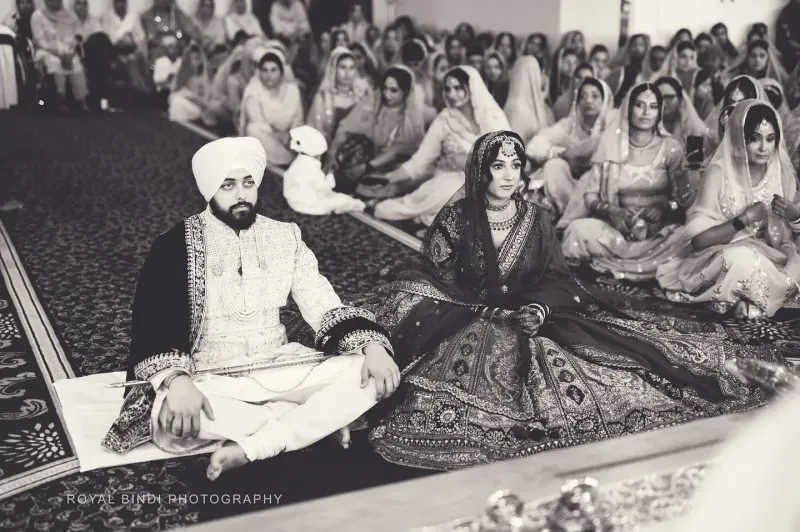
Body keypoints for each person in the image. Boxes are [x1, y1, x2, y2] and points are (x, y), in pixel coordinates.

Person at [360, 130, 773, 471]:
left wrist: (538, 308)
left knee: (628, 367)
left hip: (532, 316)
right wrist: (481, 308)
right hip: (466, 314)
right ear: (481, 171)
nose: (507, 175)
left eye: (515, 165)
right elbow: (439, 277)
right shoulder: (458, 217)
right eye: (497, 165)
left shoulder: (535, 219)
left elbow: (556, 278)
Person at [102, 137, 398, 480]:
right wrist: (178, 381)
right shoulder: (174, 245)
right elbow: (152, 322)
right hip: (213, 375)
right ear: (209, 189)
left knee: (368, 374)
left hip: (282, 364)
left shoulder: (286, 236)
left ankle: (256, 445)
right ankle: (309, 425)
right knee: (171, 414)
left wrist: (372, 346)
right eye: (228, 185)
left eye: (248, 183)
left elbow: (322, 302)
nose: (241, 194)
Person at [657, 101, 800, 320]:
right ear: (739, 138)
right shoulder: (718, 172)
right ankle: (752, 302)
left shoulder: (780, 173)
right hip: (721, 252)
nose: (764, 148)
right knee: (738, 259)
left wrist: (794, 216)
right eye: (755, 139)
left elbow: (789, 236)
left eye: (770, 139)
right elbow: (697, 242)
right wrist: (743, 220)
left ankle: (740, 300)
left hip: (771, 255)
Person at [559, 82, 695, 282]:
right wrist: (612, 211)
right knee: (576, 231)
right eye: (639, 105)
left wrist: (664, 206)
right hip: (617, 233)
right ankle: (646, 271)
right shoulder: (611, 146)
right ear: (628, 108)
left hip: (657, 237)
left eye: (653, 107)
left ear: (660, 112)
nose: (646, 112)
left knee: (687, 236)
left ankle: (610, 266)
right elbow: (590, 196)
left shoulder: (670, 148)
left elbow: (682, 199)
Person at [364, 65, 510, 229]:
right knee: (446, 187)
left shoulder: (494, 118)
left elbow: (507, 160)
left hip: (490, 184)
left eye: (458, 88)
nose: (452, 94)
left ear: (471, 87)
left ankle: (438, 218)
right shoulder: (445, 120)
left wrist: (468, 162)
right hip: (449, 180)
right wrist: (388, 178)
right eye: (447, 89)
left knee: (457, 190)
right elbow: (421, 160)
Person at [526, 76, 615, 217]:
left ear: (604, 100)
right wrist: (561, 152)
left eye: (595, 96)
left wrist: (583, 156)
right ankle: (564, 212)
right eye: (583, 97)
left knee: (590, 176)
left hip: (595, 187)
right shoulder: (569, 124)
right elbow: (534, 146)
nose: (588, 101)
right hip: (569, 185)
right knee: (554, 166)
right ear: (577, 101)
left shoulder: (611, 124)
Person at [239, 47, 303, 167]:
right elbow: (258, 122)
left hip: (290, 143)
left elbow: (298, 120)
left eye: (273, 70)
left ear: (281, 72)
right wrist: (280, 136)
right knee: (253, 129)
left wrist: (290, 138)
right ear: (259, 72)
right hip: (269, 138)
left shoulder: (292, 90)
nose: (269, 75)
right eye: (265, 70)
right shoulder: (253, 91)